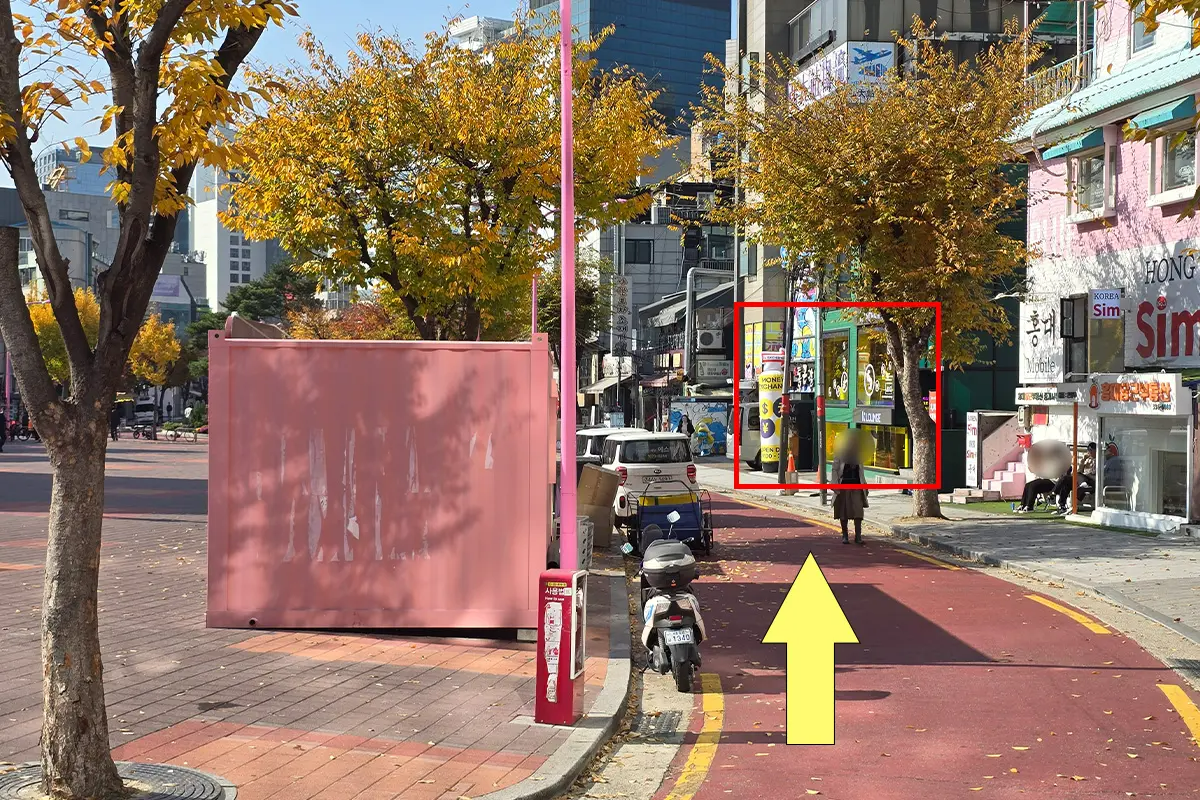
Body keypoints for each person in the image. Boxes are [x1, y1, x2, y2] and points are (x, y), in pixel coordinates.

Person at [830, 430, 868, 545]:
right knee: (843, 512)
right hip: (843, 486)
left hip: (857, 486)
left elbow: (861, 472)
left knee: (858, 511)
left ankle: (858, 536)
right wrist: (835, 485)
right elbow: (834, 469)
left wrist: (865, 486)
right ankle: (845, 535)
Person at [1053, 443, 1096, 514]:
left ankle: (1054, 494)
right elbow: (1079, 471)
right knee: (1066, 484)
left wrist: (1085, 475)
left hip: (1090, 481)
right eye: (1088, 450)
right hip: (1081, 479)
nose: (1089, 452)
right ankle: (1062, 506)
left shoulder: (1098, 460)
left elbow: (1095, 475)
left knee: (1066, 479)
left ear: (1096, 451)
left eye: (1091, 450)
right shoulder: (1087, 460)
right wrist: (1083, 460)